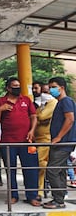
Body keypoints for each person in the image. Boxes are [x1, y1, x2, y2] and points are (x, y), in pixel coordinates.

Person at [0, 77, 40, 206]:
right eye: (14, 86)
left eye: (18, 85)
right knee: (10, 169)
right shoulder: (1, 102)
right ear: (8, 88)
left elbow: (33, 116)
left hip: (26, 140)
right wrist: (0, 110)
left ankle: (32, 196)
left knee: (30, 169)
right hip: (8, 142)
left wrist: (32, 131)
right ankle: (13, 195)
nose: (17, 88)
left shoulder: (25, 100)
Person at [43, 77, 76, 209]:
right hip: (63, 143)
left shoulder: (66, 101)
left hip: (63, 143)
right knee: (60, 170)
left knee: (52, 170)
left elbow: (70, 119)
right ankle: (59, 199)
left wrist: (58, 137)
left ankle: (58, 199)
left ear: (61, 87)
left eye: (53, 87)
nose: (50, 89)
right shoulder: (60, 102)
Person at [32, 81, 57, 200]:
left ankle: (41, 191)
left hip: (46, 139)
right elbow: (35, 117)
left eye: (46, 91)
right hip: (37, 139)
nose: (44, 94)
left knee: (41, 165)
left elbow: (40, 117)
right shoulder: (42, 104)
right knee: (38, 165)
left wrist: (39, 118)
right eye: (43, 92)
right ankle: (41, 189)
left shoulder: (52, 102)